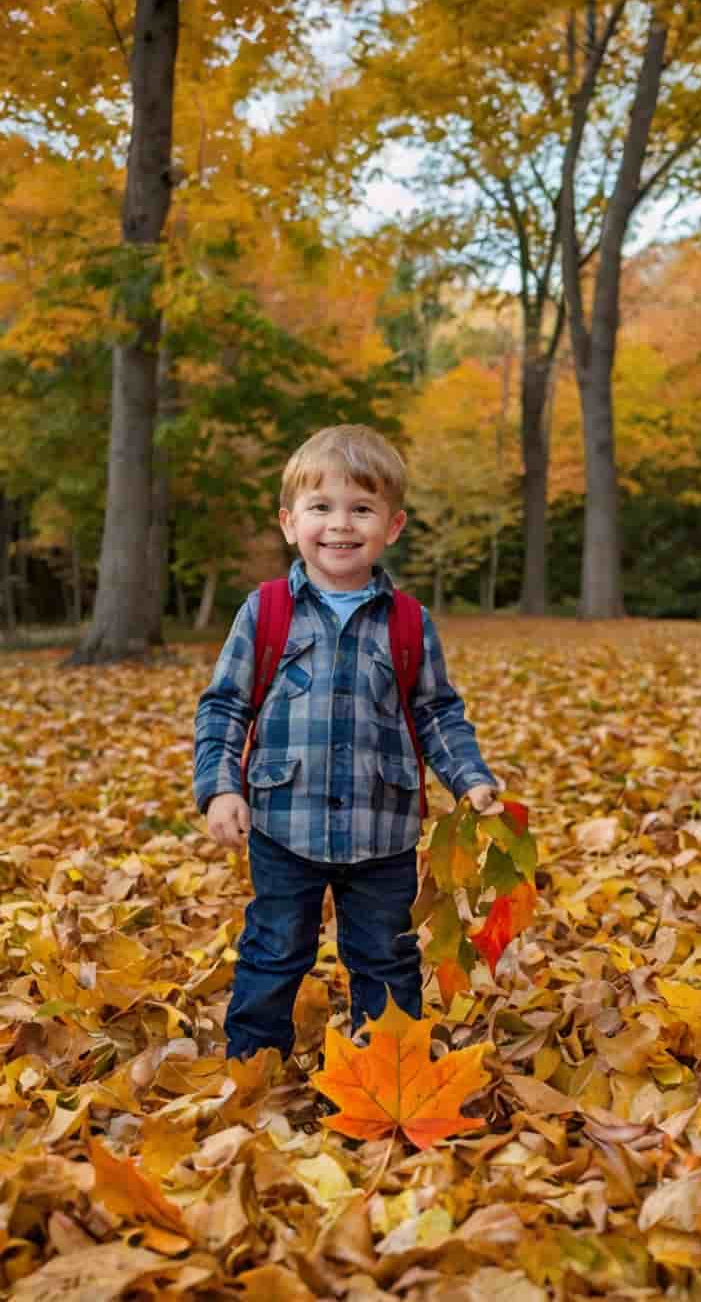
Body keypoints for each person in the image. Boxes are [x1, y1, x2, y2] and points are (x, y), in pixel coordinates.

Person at [193, 424, 502, 1061]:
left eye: (361, 509)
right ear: (289, 522)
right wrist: (220, 787)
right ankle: (254, 1064)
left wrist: (469, 777)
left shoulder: (409, 622)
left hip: (382, 830)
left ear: (392, 527)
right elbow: (225, 704)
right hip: (284, 823)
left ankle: (388, 1067)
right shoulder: (267, 611)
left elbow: (438, 712)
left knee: (386, 955)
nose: (340, 525)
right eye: (321, 508)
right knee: (274, 949)